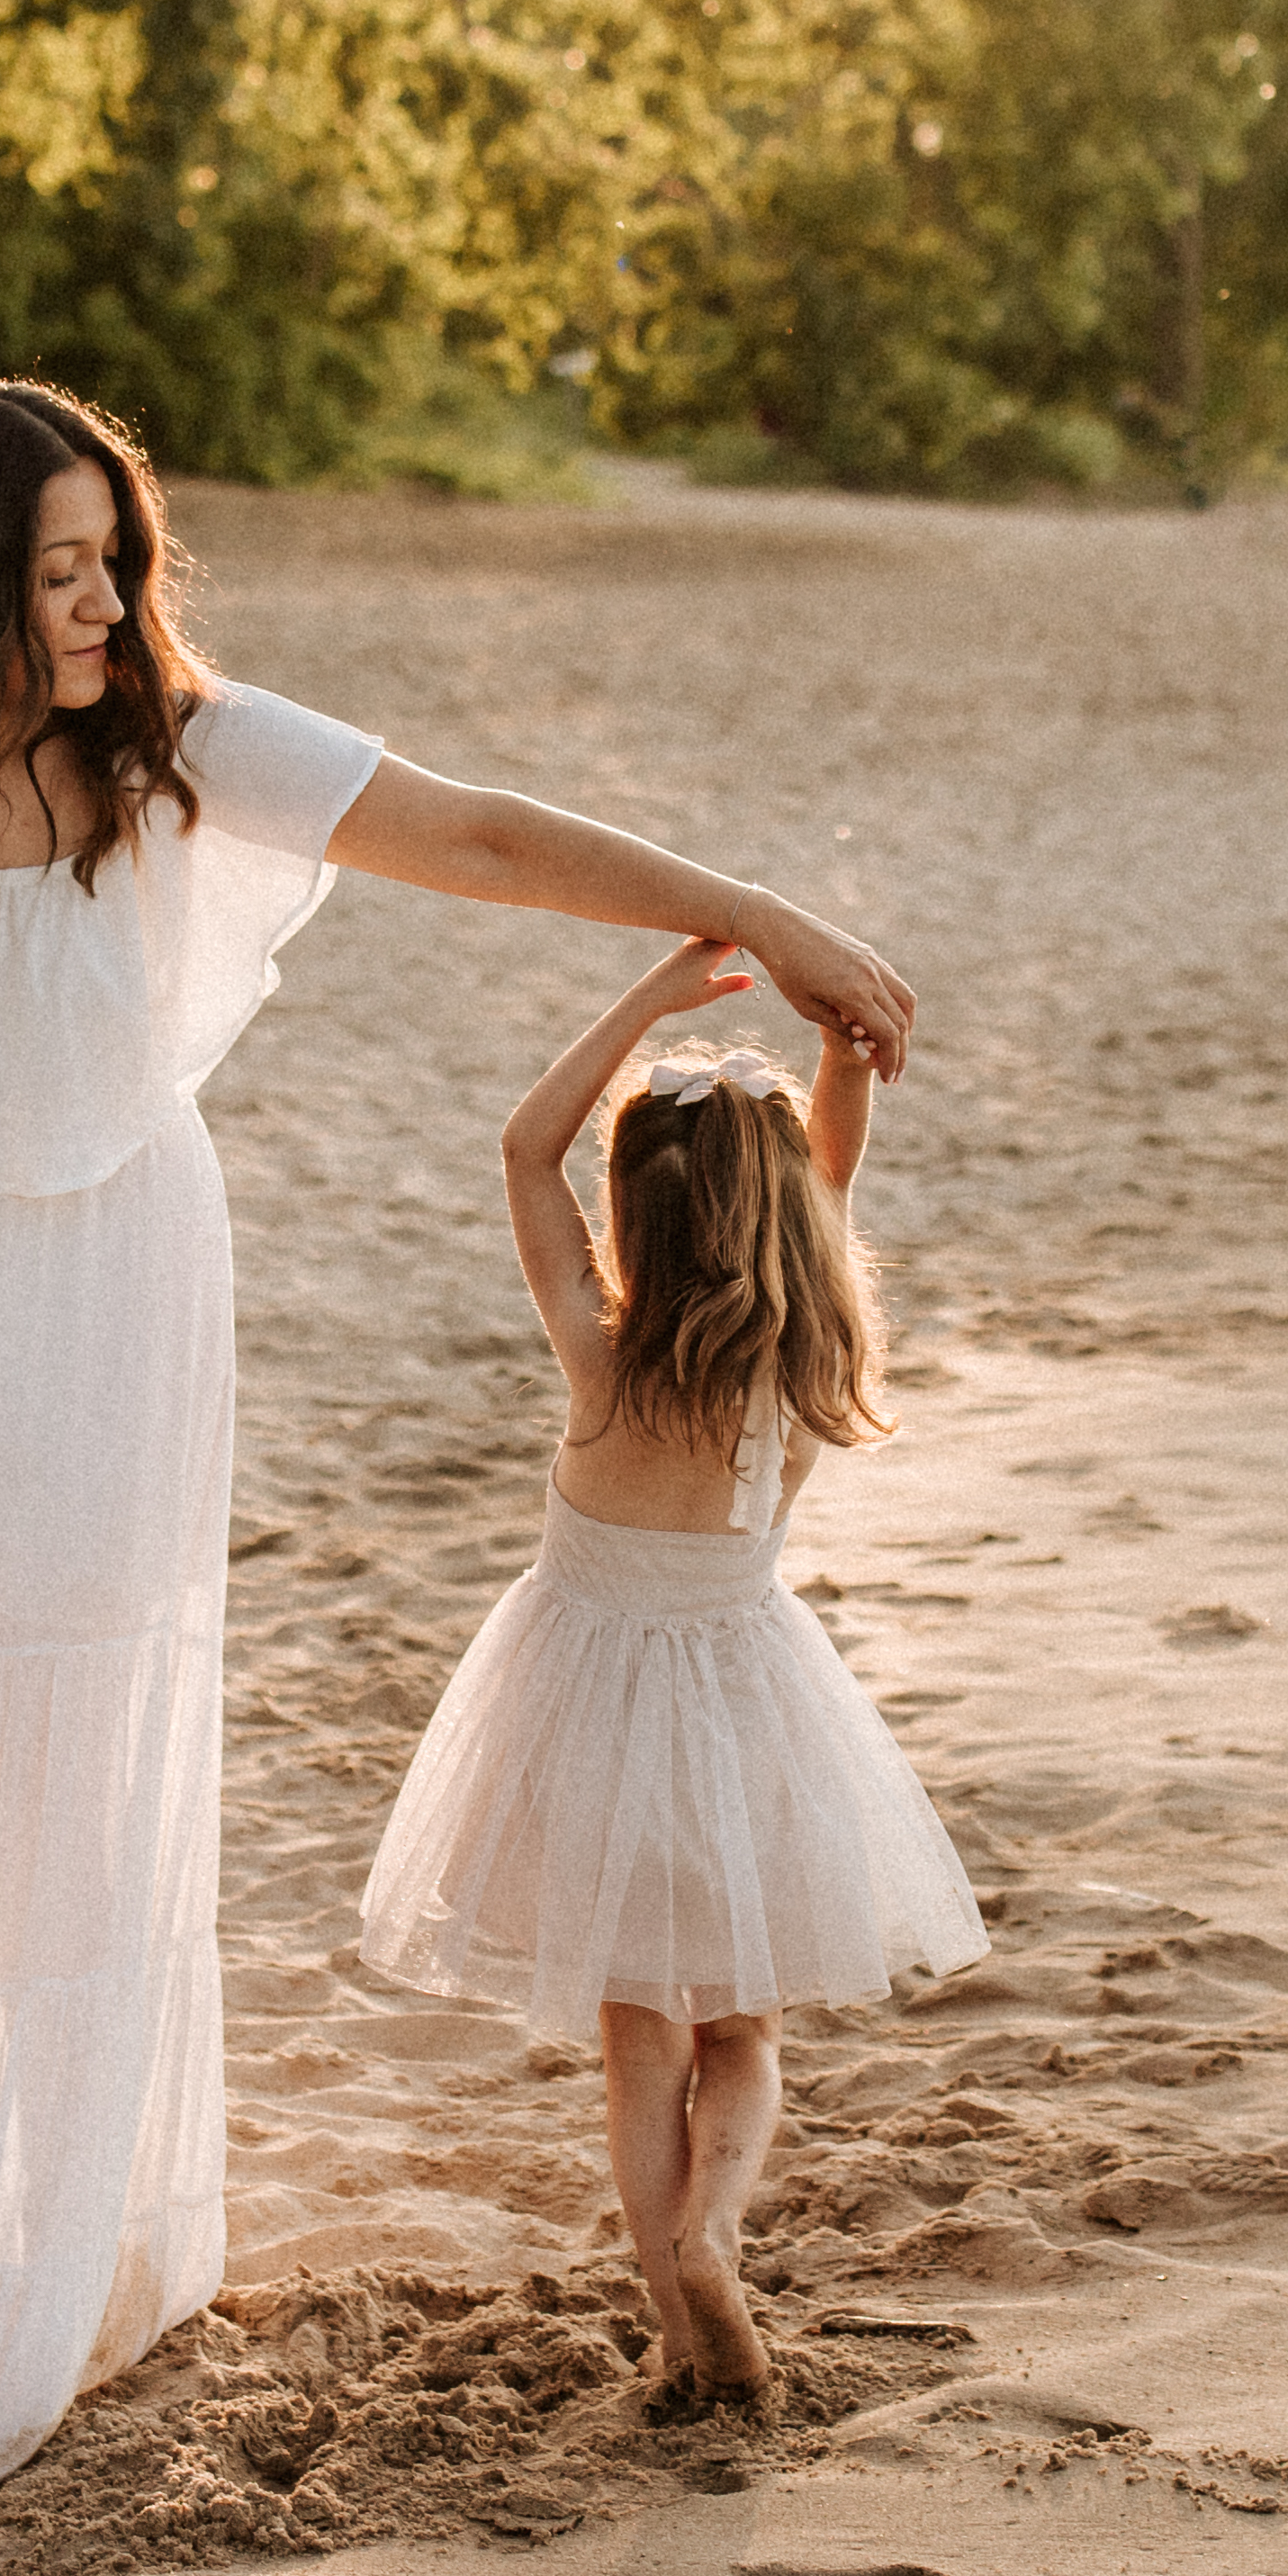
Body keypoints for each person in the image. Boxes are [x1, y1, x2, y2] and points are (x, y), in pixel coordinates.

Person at [0, 374, 915, 2488]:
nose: (101, 602)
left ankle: (51, 2244)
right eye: (58, 567)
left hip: (105, 1292)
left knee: (64, 1758)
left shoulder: (171, 742)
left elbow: (464, 827)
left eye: (113, 559)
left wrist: (759, 914)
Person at [353, 940, 986, 2411]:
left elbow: (526, 1147)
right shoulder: (806, 1351)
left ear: (633, 1205)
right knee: (741, 2028)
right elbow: (825, 1178)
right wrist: (837, 1053)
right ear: (784, 1222)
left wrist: (649, 1001)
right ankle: (716, 2232)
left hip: (584, 1715)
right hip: (752, 1716)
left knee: (638, 2041)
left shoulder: (603, 1352)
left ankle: (675, 2323)